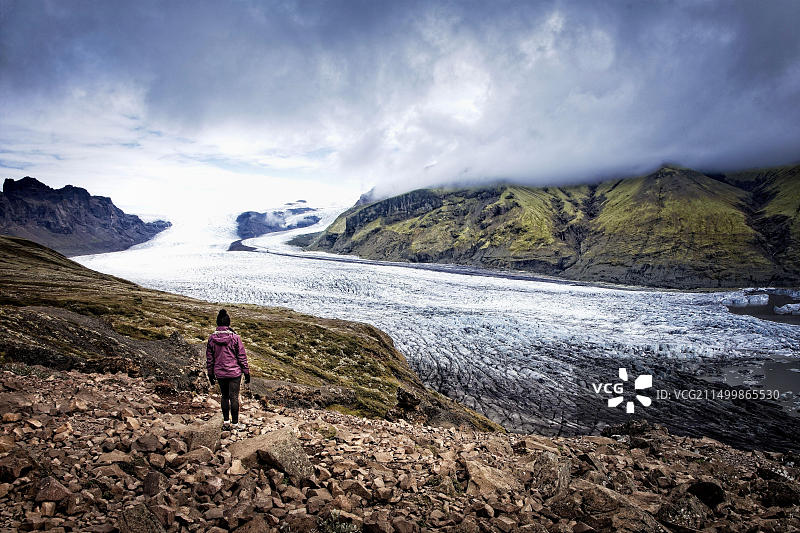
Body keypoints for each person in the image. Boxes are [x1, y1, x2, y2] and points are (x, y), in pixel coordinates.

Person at [206, 309, 250, 430]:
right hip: (234, 372)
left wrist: (210, 374)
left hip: (220, 373)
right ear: (228, 323)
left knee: (224, 396)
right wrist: (246, 372)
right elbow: (241, 356)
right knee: (234, 397)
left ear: (217, 323)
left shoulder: (211, 339)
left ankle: (226, 422)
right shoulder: (235, 338)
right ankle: (235, 424)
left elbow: (210, 359)